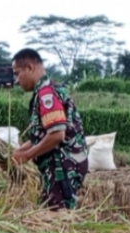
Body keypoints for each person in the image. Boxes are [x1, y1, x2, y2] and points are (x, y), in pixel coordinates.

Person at [10, 48, 89, 211]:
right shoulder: (45, 91)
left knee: (57, 217)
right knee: (50, 211)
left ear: (30, 68)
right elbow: (40, 137)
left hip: (63, 167)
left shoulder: (47, 94)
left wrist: (27, 156)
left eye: (17, 73)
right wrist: (17, 153)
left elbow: (56, 136)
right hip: (59, 166)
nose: (17, 80)